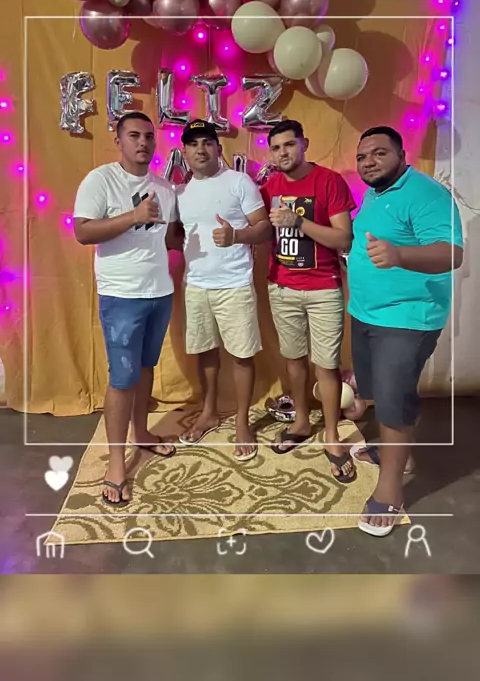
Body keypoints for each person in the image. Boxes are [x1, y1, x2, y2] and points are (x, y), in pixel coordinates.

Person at [348, 126, 463, 536]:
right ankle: (400, 456)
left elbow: (452, 253)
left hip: (407, 318)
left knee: (394, 399)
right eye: (362, 157)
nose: (369, 162)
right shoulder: (375, 194)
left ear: (402, 155)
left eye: (379, 153)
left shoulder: (427, 194)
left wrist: (399, 255)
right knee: (382, 393)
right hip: (366, 313)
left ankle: (390, 490)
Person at [73, 112, 184, 507]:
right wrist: (133, 216)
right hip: (121, 296)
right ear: (118, 140)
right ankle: (117, 463)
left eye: (149, 136)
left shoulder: (165, 188)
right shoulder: (101, 180)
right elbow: (83, 231)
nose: (143, 142)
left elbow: (168, 238)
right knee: (122, 379)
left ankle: (142, 433)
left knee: (146, 368)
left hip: (160, 292)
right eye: (134, 135)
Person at [261, 119, 357, 482]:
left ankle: (332, 436)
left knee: (326, 366)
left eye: (289, 144)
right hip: (282, 288)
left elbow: (344, 239)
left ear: (304, 144)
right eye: (276, 148)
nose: (283, 153)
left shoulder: (329, 181)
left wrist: (298, 222)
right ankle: (301, 422)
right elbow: (257, 227)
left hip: (323, 290)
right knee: (294, 361)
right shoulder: (270, 187)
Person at [176, 119, 271, 460]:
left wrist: (237, 236)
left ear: (218, 148)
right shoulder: (180, 192)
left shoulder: (239, 182)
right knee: (205, 352)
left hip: (234, 284)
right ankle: (209, 412)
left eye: (206, 142)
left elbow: (264, 227)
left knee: (242, 355)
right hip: (196, 285)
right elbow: (177, 235)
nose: (200, 149)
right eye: (193, 144)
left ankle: (243, 422)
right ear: (184, 151)